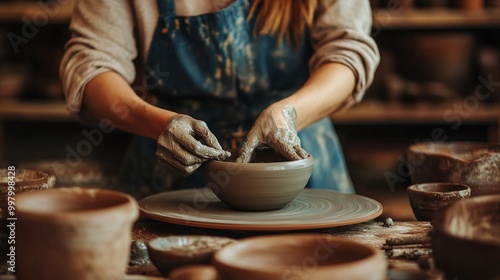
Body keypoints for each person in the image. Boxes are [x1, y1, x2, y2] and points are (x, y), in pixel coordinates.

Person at [60, 0, 379, 199]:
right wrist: (159, 123)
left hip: (296, 152)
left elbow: (347, 52)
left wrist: (289, 114)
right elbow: (92, 64)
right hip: (174, 160)